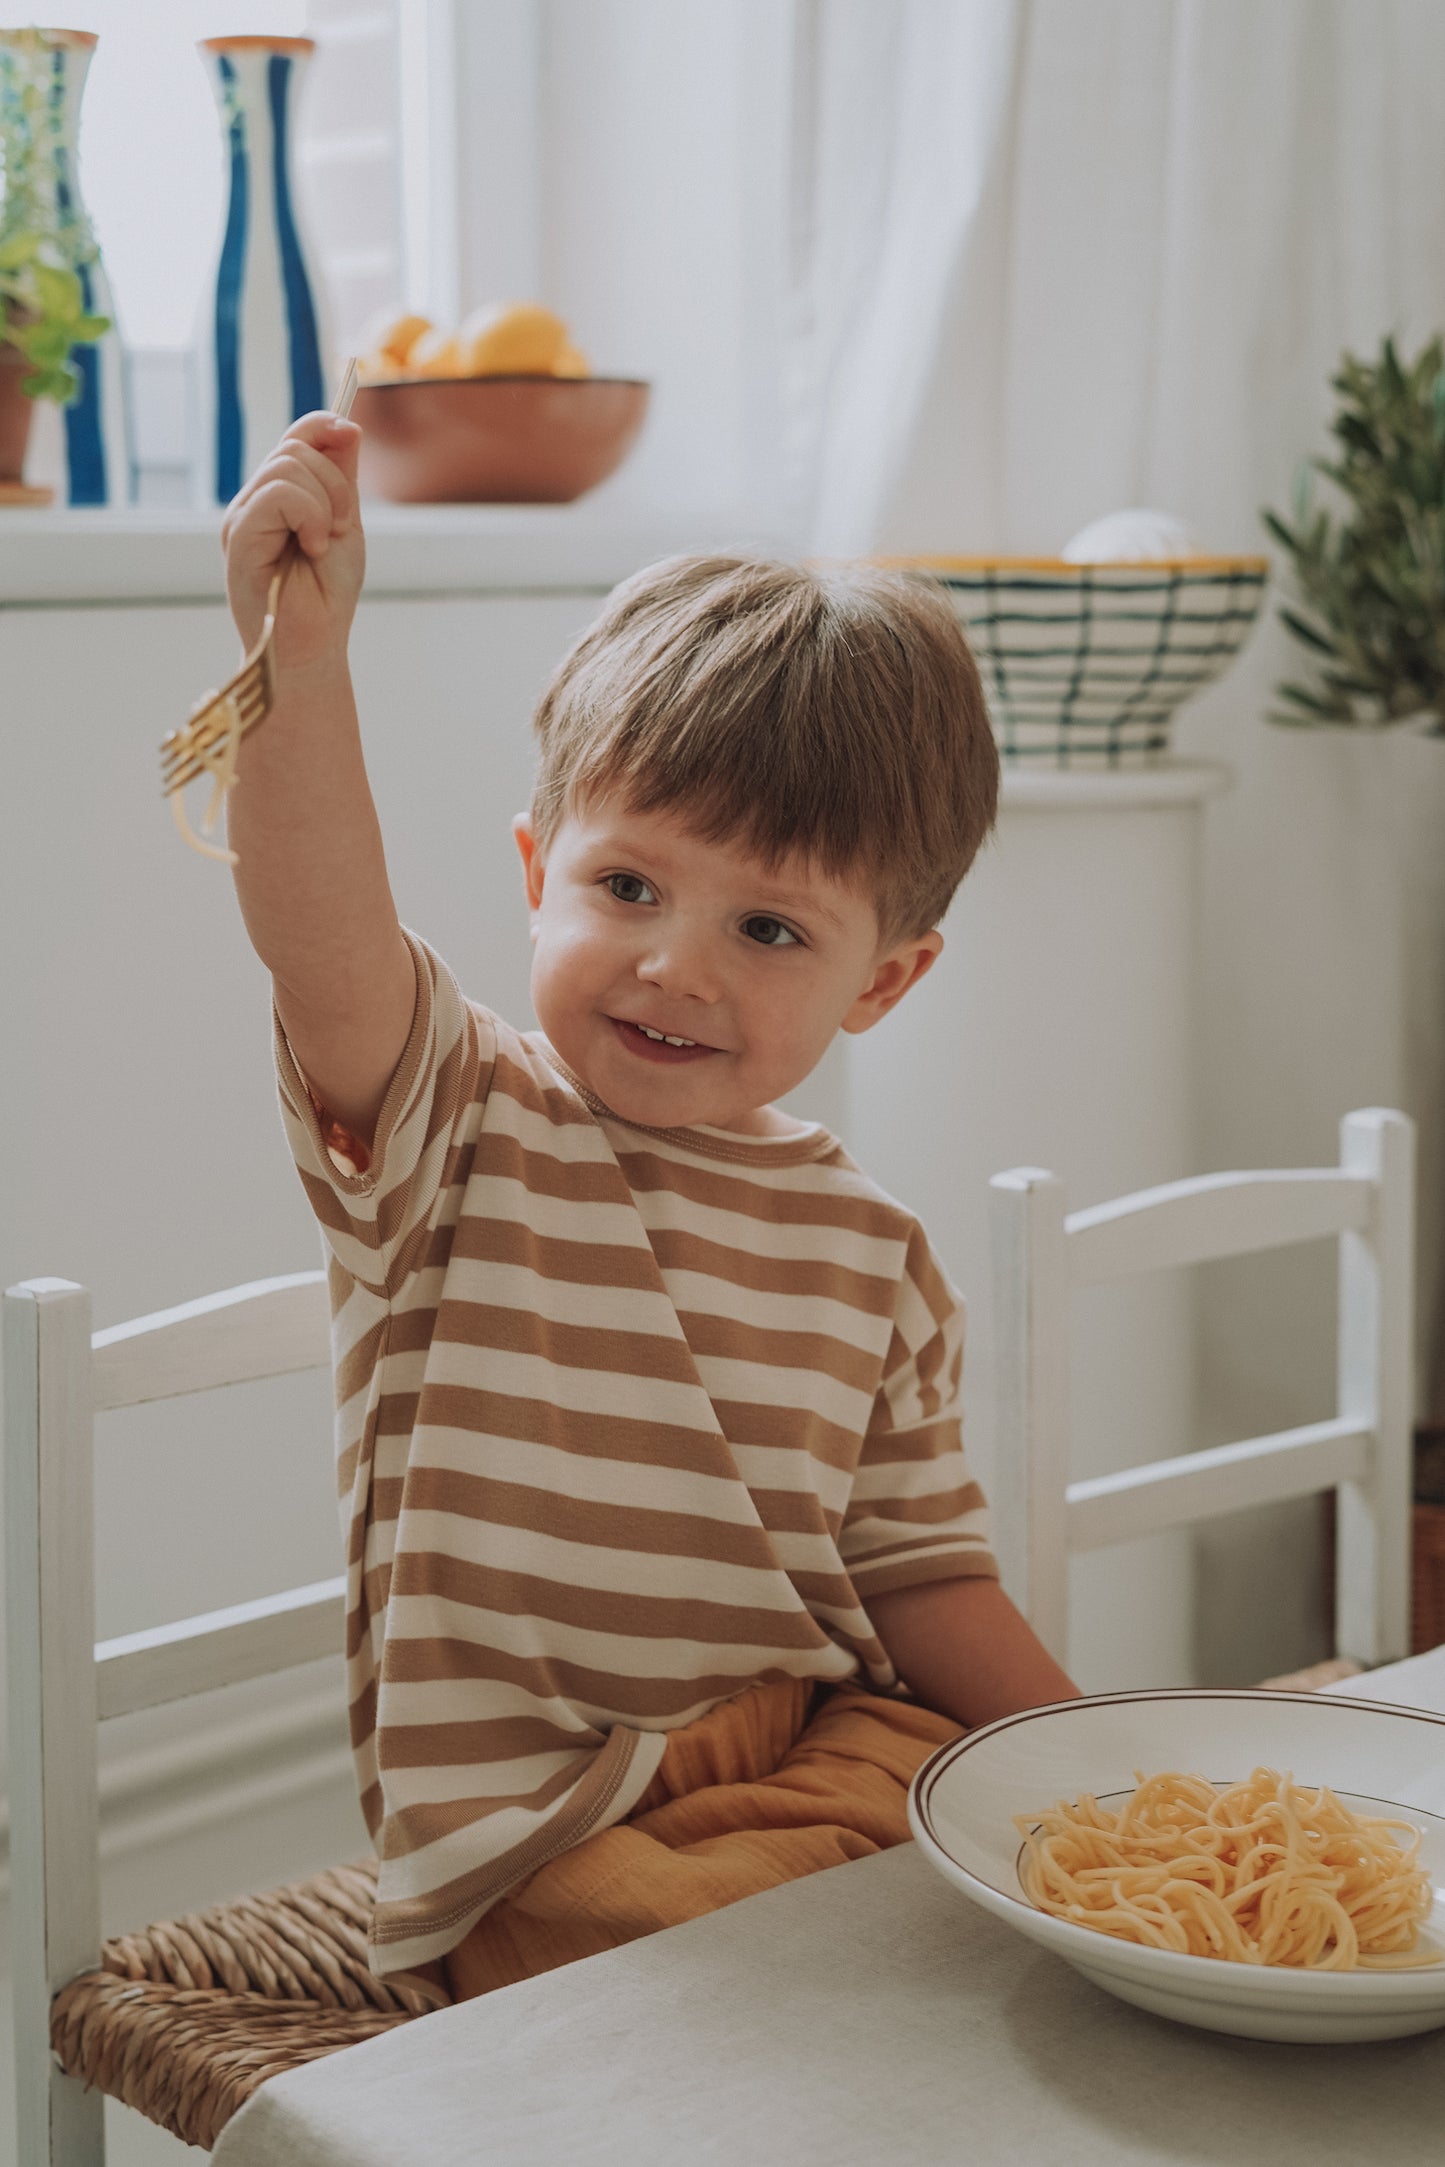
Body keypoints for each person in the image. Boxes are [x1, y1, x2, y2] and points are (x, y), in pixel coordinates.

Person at [219, 407, 1079, 2000]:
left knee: (969, 1848)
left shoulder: (871, 1251)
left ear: (881, 982)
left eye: (768, 931)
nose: (675, 964)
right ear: (539, 868)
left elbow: (923, 1581)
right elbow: (320, 930)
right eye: (627, 889)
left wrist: (1089, 1760)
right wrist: (303, 667)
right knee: (707, 1964)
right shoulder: (455, 1125)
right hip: (540, 1824)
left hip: (805, 1748)